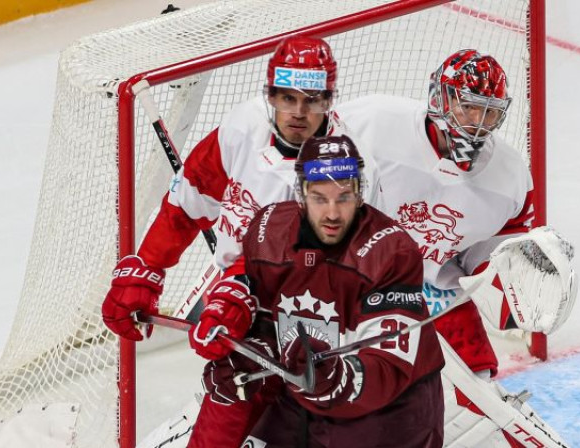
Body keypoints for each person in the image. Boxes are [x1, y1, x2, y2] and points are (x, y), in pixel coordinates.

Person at [100, 36, 381, 447]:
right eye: (287, 97)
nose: (298, 112)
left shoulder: (342, 166)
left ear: (329, 100)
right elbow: (190, 200)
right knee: (232, 390)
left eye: (311, 99)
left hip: (323, 310)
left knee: (293, 408)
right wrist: (148, 268)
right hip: (248, 294)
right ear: (270, 94)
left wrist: (240, 290)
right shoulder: (242, 127)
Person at [336, 49, 574, 446]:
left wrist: (520, 280)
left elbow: (487, 262)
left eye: (490, 112)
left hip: (435, 297)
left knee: (478, 397)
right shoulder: (372, 124)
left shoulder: (510, 178)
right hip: (349, 290)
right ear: (439, 99)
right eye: (469, 108)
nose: (479, 123)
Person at [198, 135, 445, 447]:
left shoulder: (391, 251)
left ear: (360, 194)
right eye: (319, 198)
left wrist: (338, 378)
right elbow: (266, 326)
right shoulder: (267, 231)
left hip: (387, 414)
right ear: (301, 194)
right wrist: (249, 360)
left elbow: (388, 367)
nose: (332, 213)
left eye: (343, 197)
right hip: (297, 401)